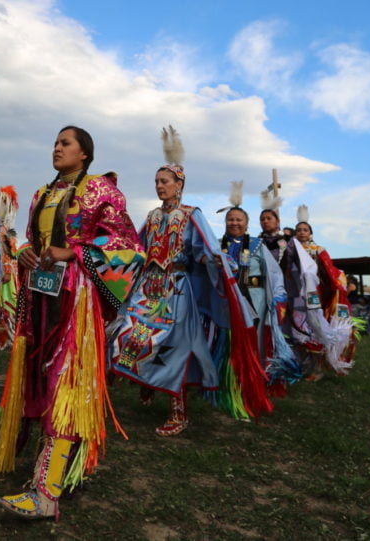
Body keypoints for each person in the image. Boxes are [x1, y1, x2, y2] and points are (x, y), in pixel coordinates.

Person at [0, 126, 143, 520]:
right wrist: (27, 252)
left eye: (66, 144)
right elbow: (31, 238)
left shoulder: (102, 191)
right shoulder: (43, 194)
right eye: (55, 143)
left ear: (85, 154)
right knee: (40, 377)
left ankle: (47, 492)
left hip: (76, 301)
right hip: (41, 299)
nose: (57, 148)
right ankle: (50, 469)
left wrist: (73, 252)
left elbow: (127, 247)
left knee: (67, 383)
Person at [110, 127, 270, 433]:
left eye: (164, 181)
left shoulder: (190, 214)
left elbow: (208, 248)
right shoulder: (153, 217)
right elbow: (138, 249)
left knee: (177, 347)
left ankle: (179, 413)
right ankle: (148, 382)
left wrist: (217, 265)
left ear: (179, 184)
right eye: (156, 182)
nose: (159, 186)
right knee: (132, 336)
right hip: (148, 292)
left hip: (177, 293)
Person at [218, 189, 300, 397]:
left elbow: (274, 274)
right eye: (230, 219)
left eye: (238, 219)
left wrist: (278, 299)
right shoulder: (218, 246)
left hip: (255, 300)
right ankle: (229, 382)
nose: (234, 223)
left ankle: (254, 381)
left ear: (246, 224)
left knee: (256, 341)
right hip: (227, 301)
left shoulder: (257, 245)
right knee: (228, 340)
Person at [289, 206, 356, 376]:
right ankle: (302, 363)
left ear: (310, 233)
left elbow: (330, 270)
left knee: (315, 328)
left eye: (305, 230)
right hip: (296, 293)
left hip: (316, 293)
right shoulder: (291, 250)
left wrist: (339, 286)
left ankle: (317, 367)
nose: (302, 232)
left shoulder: (319, 250)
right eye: (298, 230)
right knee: (297, 327)